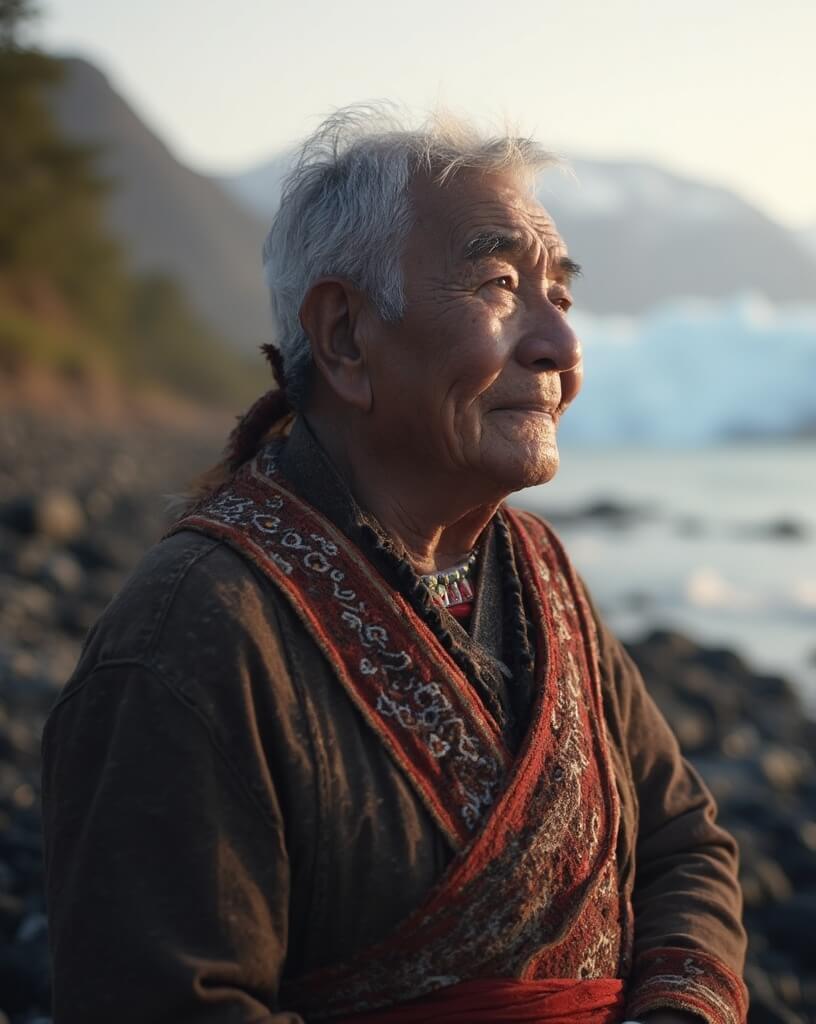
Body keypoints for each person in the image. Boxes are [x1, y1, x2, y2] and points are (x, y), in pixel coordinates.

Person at [42, 106, 747, 1024]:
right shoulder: (194, 634)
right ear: (343, 337)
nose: (562, 348)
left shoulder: (541, 575)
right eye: (500, 284)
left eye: (562, 297)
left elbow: (682, 840)